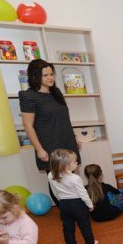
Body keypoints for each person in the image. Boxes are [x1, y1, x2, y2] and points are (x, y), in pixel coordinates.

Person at [19, 59, 80, 203]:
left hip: (67, 141)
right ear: (35, 77)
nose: (50, 78)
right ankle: (65, 211)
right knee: (58, 182)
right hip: (49, 144)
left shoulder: (56, 92)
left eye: (51, 74)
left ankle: (76, 208)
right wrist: (39, 149)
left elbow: (64, 118)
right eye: (45, 75)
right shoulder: (29, 96)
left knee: (71, 178)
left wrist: (74, 137)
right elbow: (28, 125)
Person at [47, 149, 97, 244]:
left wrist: (60, 201)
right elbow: (83, 194)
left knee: (67, 226)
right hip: (78, 204)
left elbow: (54, 191)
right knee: (84, 224)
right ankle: (90, 243)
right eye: (74, 162)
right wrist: (90, 205)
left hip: (63, 204)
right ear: (66, 166)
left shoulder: (51, 175)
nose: (77, 163)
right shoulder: (75, 178)